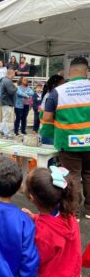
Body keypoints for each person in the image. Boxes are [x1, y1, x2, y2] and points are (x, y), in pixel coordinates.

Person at [44, 57, 90, 219]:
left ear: (70, 71)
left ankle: (74, 213)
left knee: (72, 176)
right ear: (86, 71)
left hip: (68, 142)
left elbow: (48, 118)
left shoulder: (59, 92)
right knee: (89, 174)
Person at [23, 167, 83, 277]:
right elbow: (52, 220)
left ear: (32, 198)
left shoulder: (43, 233)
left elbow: (37, 259)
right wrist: (35, 217)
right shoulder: (68, 213)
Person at [39, 75, 65, 145]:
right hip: (49, 131)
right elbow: (47, 117)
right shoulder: (51, 96)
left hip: (47, 130)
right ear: (54, 85)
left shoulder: (49, 95)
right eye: (62, 84)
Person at [0, 69, 17, 138]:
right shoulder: (8, 81)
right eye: (14, 73)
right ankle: (6, 132)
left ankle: (1, 130)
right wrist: (16, 87)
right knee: (6, 118)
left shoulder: (6, 80)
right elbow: (11, 92)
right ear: (11, 73)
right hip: (6, 102)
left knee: (5, 117)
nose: (14, 75)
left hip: (5, 101)